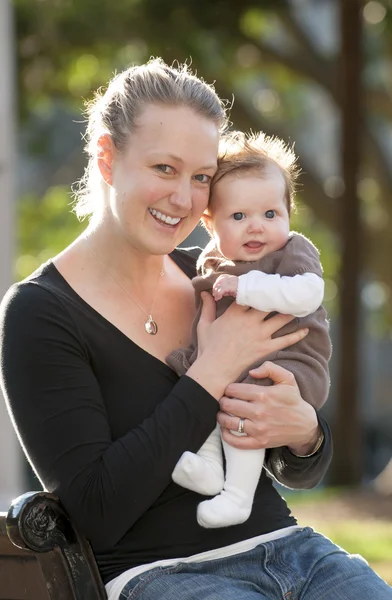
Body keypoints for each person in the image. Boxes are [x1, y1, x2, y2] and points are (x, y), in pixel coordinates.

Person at [0, 58, 390, 600]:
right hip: (161, 575)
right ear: (108, 157)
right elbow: (95, 512)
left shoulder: (214, 276)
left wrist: (304, 431)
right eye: (164, 168)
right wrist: (210, 372)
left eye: (201, 177)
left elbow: (297, 467)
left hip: (292, 551)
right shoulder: (40, 313)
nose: (184, 199)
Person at [167, 130, 332, 529]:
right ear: (211, 224)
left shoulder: (292, 251)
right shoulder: (211, 262)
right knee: (192, 381)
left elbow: (308, 294)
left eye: (270, 214)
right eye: (239, 217)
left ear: (289, 214)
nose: (256, 227)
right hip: (241, 365)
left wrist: (247, 287)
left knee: (244, 398)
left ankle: (237, 496)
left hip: (290, 366)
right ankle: (208, 464)